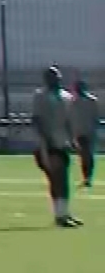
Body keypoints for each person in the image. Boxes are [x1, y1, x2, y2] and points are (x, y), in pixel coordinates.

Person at [32, 66, 81, 228]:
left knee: (62, 180)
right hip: (48, 144)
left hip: (62, 142)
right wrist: (44, 140)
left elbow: (70, 121)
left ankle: (64, 213)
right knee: (57, 179)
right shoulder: (40, 96)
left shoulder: (66, 96)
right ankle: (60, 215)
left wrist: (73, 140)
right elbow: (37, 119)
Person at [75, 79, 100, 189]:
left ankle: (87, 178)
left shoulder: (91, 101)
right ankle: (87, 178)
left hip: (87, 132)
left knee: (87, 156)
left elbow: (96, 118)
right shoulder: (75, 101)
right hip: (82, 132)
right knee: (85, 156)